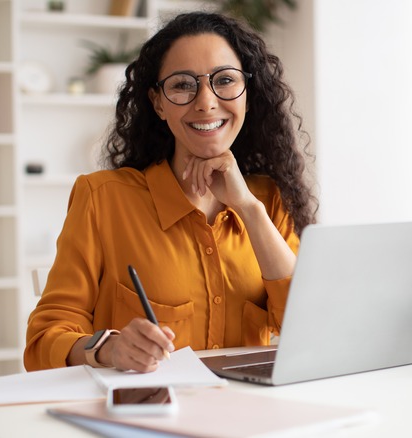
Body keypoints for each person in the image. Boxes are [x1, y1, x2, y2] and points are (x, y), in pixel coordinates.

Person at [24, 12, 317, 373]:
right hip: (147, 418)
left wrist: (248, 208)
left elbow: (311, 329)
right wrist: (109, 348)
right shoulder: (102, 198)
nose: (206, 102)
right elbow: (44, 339)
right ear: (158, 102)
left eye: (224, 80)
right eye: (182, 85)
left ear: (248, 95)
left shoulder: (267, 200)